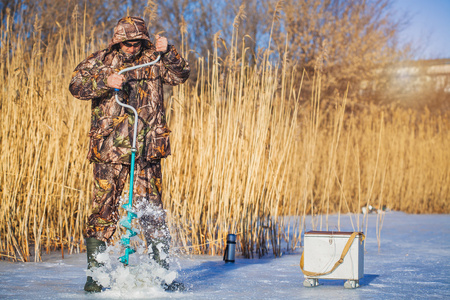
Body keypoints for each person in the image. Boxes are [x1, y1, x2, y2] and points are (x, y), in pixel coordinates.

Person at [69, 16, 190, 293]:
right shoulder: (100, 59)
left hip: (147, 150)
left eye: (137, 42)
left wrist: (168, 50)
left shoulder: (156, 58)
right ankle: (95, 276)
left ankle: (161, 275)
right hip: (109, 150)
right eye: (127, 42)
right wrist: (104, 80)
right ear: (118, 40)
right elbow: (76, 86)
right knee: (103, 211)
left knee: (153, 213)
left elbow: (180, 75)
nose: (132, 47)